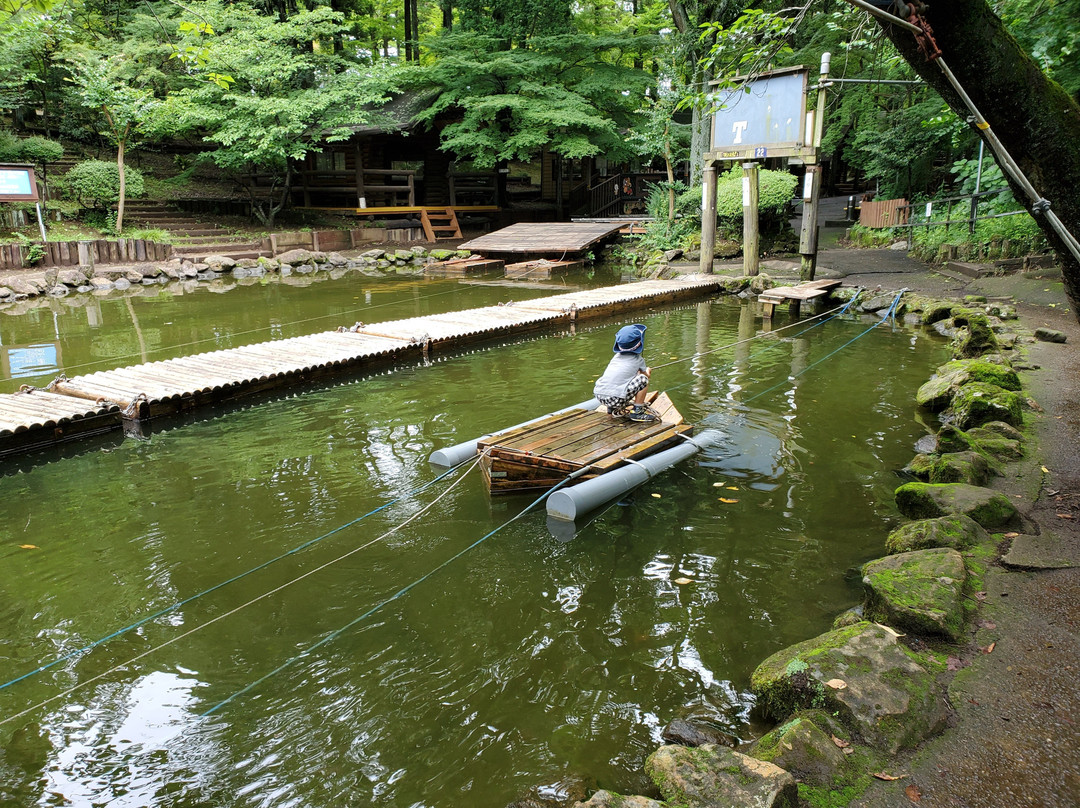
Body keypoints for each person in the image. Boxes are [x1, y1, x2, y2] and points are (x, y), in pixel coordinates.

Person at [593, 323, 658, 423]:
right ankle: (638, 412)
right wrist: (648, 371)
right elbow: (645, 377)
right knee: (643, 379)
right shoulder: (638, 360)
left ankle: (611, 410)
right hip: (615, 398)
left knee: (615, 380)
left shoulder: (616, 357)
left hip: (600, 396)